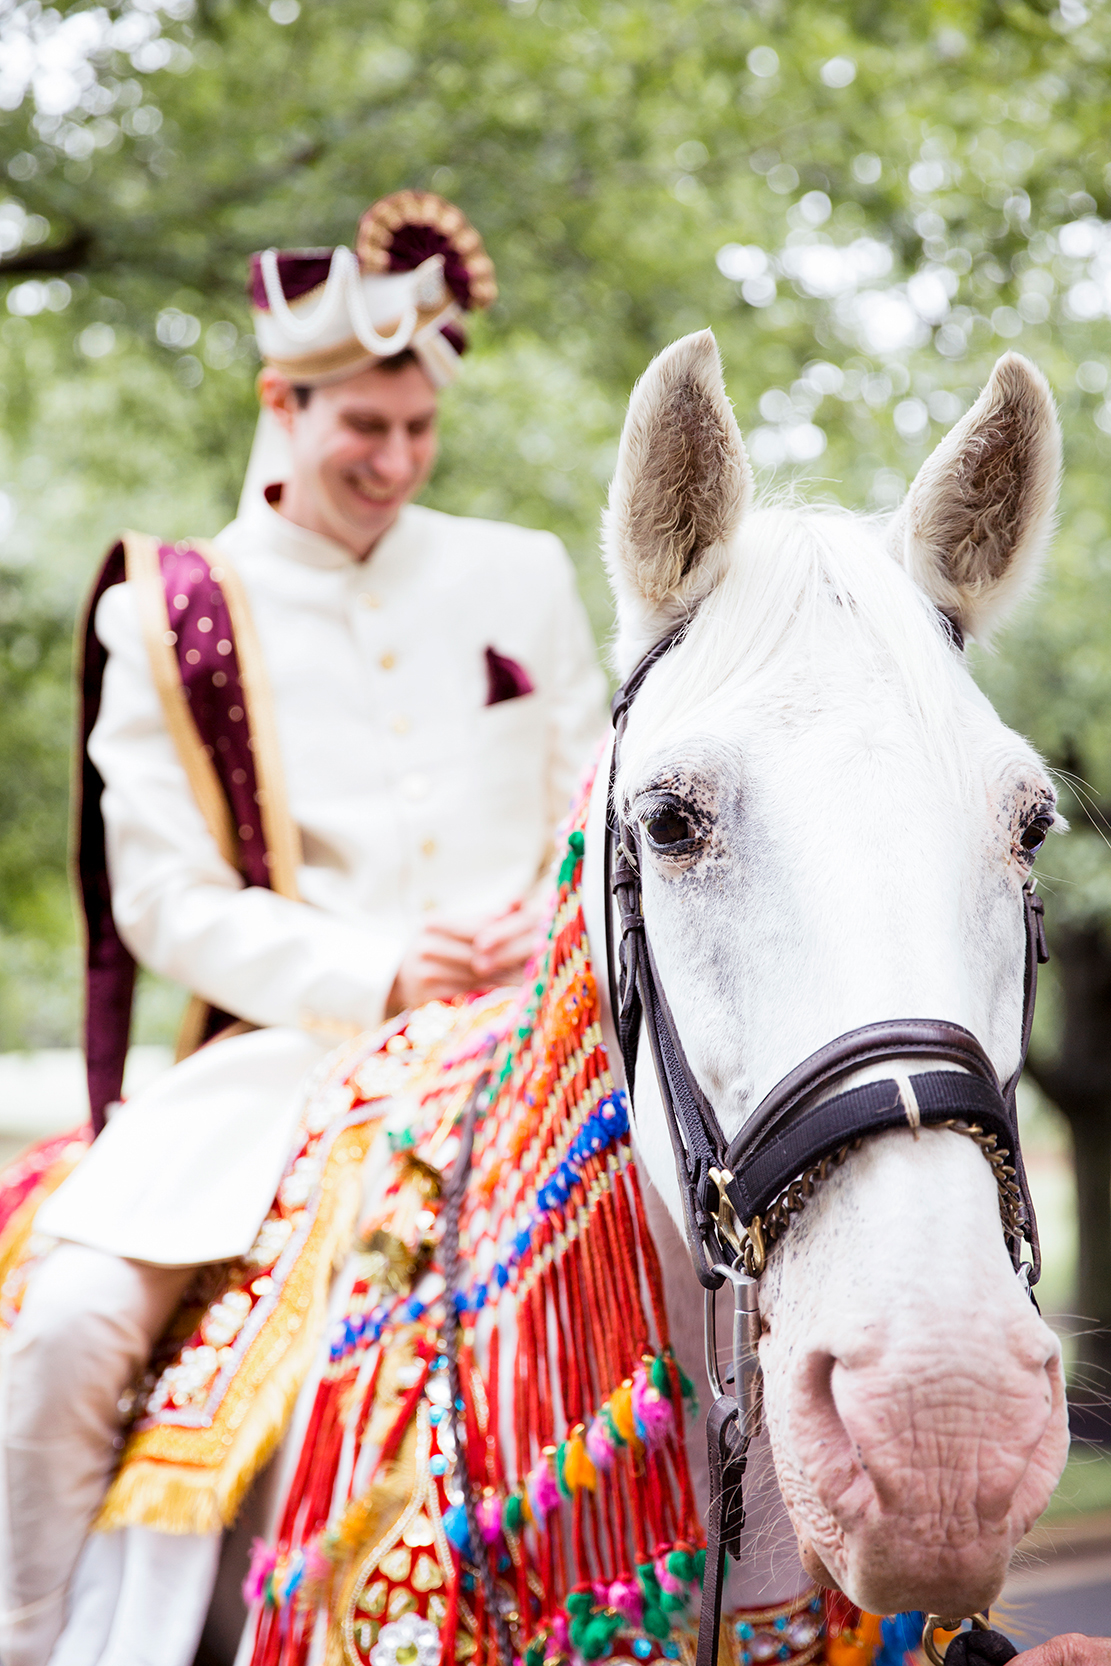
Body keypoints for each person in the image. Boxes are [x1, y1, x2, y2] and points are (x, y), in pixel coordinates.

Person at [0, 190, 606, 1666]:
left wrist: (553, 913)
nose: (394, 463)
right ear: (282, 400)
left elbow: (595, 791)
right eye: (362, 430)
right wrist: (376, 967)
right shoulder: (170, 610)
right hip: (281, 1065)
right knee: (72, 1322)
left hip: (532, 1036)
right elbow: (162, 898)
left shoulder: (519, 568)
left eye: (419, 431)